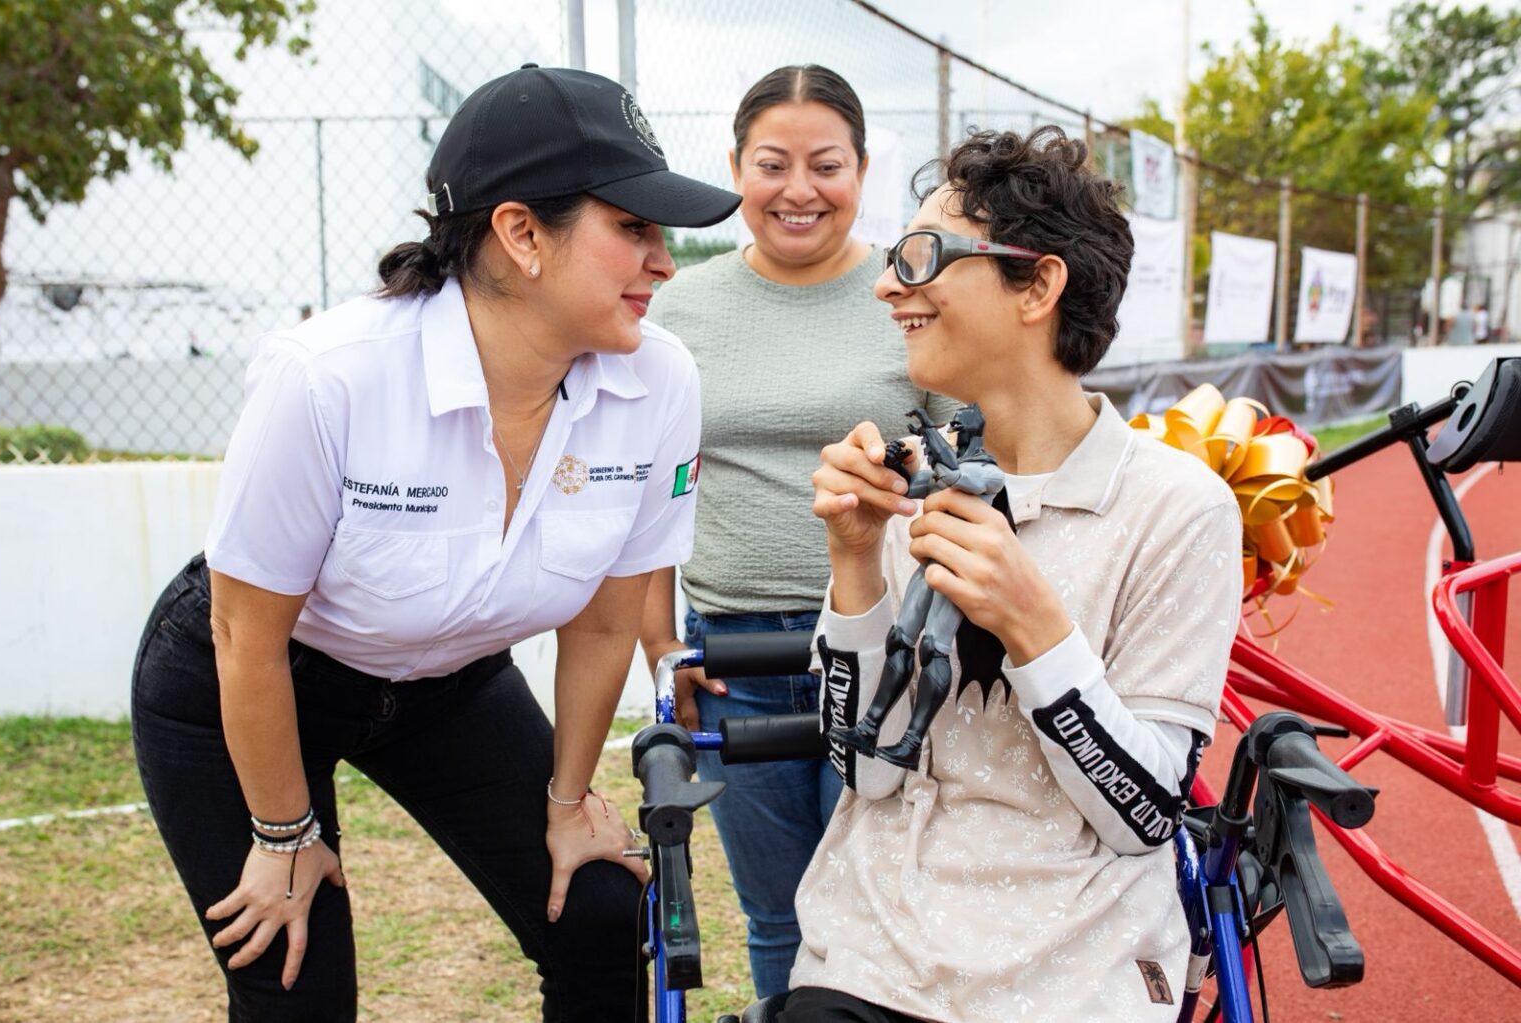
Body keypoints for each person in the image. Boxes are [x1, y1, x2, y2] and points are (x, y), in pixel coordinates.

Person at [129, 64, 740, 1023]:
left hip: (446, 682)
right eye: (633, 228)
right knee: (295, 979)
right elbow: (245, 636)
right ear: (521, 233)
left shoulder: (660, 379)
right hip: (252, 676)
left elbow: (607, 612)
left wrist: (569, 798)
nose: (664, 261)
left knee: (605, 919)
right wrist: (283, 838)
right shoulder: (329, 377)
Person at [784, 126, 1243, 1022]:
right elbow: (863, 769)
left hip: (1074, 968)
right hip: (874, 954)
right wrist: (852, 563)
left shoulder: (1177, 508)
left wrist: (1037, 627)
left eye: (920, 256)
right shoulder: (912, 478)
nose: (886, 283)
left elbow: (1145, 815)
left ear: (1036, 283)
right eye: (891, 258)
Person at [640, 64, 957, 1000]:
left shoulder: (911, 293)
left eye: (827, 164)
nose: (799, 190)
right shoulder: (678, 309)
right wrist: (664, 647)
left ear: (862, 169)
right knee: (778, 911)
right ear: (736, 165)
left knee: (883, 902)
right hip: (735, 653)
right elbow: (649, 497)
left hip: (889, 641)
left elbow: (965, 457)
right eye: (772, 164)